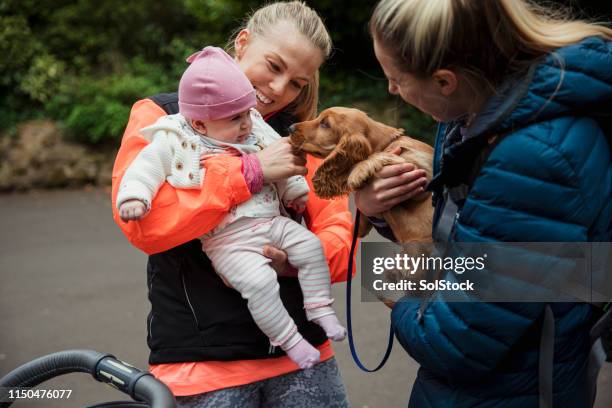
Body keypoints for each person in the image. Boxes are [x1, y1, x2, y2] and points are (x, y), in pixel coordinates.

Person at [359, 0, 611, 406]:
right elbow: (473, 243)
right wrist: (382, 210)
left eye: (395, 78)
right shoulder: (474, 118)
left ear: (445, 81)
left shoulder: (533, 156)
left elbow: (456, 343)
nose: (391, 90)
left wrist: (399, 292)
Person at [111, 2, 360, 406]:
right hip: (201, 366)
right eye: (274, 66)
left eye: (297, 82)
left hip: (307, 359)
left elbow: (340, 244)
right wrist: (252, 171)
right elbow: (145, 227)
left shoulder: (308, 135)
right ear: (243, 43)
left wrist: (289, 262)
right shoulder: (163, 116)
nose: (279, 90)